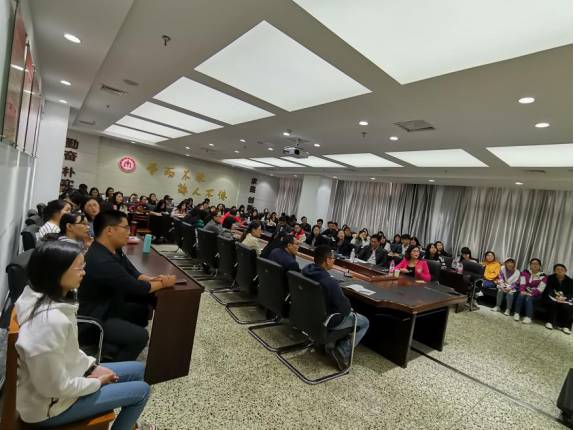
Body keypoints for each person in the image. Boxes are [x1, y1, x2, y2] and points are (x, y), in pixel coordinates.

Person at [15, 241, 153, 429]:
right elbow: (54, 388)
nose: (84, 273)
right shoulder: (49, 323)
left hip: (63, 385)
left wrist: (91, 367)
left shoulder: (48, 298)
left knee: (137, 370)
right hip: (50, 409)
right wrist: (96, 382)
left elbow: (69, 353)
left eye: (83, 266)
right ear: (56, 272)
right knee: (142, 391)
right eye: (79, 268)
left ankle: (129, 423)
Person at [79, 210, 176, 361]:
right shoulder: (100, 259)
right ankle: (114, 369)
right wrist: (164, 282)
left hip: (110, 304)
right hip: (97, 316)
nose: (129, 232)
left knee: (141, 311)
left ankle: (111, 349)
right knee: (140, 336)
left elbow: (131, 271)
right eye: (125, 228)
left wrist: (152, 278)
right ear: (109, 230)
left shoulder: (113, 249)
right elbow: (136, 287)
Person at [302, 245, 370, 370]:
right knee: (364, 322)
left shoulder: (306, 270)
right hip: (326, 320)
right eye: (333, 258)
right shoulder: (330, 282)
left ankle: (323, 343)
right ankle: (342, 351)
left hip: (308, 314)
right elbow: (345, 308)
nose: (334, 260)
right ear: (327, 260)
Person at [513, 258, 547, 324]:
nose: (535, 265)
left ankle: (528, 317)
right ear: (530, 265)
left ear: (540, 266)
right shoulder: (525, 272)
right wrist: (522, 291)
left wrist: (531, 293)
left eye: (537, 264)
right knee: (521, 294)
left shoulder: (543, 276)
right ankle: (516, 313)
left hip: (537, 294)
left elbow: (540, 289)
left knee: (529, 298)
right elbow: (522, 283)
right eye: (533, 264)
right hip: (525, 291)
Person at [544, 264, 572, 333]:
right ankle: (549, 322)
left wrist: (564, 298)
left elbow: (571, 293)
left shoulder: (570, 281)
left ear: (565, 271)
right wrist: (556, 297)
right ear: (554, 271)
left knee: (567, 306)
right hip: (551, 297)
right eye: (557, 269)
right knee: (553, 303)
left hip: (564, 299)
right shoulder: (550, 278)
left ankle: (565, 326)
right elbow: (548, 289)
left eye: (562, 269)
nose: (560, 271)